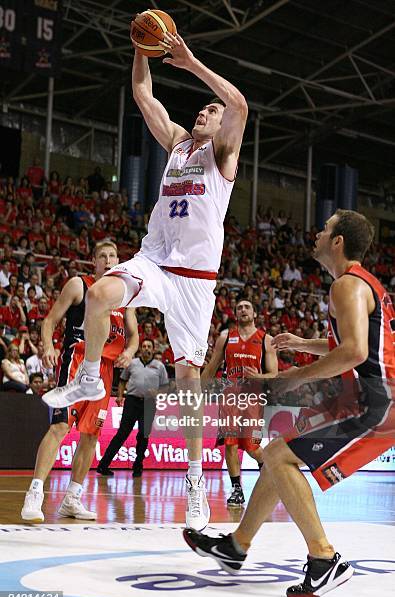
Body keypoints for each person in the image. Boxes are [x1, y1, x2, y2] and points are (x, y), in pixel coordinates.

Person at [41, 27, 248, 530]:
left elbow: (239, 102)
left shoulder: (222, 156)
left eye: (210, 110)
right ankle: (89, 376)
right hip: (155, 261)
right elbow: (142, 93)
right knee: (99, 293)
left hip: (195, 281)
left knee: (189, 379)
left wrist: (191, 61)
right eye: (202, 108)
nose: (205, 111)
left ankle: (197, 481)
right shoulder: (178, 144)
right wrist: (141, 47)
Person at [183, 210, 395, 597]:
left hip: (375, 402)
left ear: (338, 242)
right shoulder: (363, 285)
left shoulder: (347, 285)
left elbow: (354, 351)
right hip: (367, 397)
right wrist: (302, 344)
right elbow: (353, 346)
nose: (317, 232)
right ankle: (236, 546)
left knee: (279, 458)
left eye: (326, 228)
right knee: (276, 455)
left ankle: (323, 558)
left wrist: (296, 375)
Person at [21, 241, 138, 523]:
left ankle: (72, 498)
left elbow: (134, 336)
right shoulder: (79, 285)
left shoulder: (125, 296)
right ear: (94, 262)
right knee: (60, 426)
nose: (108, 260)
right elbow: (49, 321)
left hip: (106, 370)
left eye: (113, 256)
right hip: (77, 361)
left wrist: (130, 352)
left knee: (91, 436)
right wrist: (48, 346)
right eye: (102, 256)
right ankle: (35, 493)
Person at [202, 299, 278, 505]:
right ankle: (237, 489)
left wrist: (259, 378)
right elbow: (212, 366)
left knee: (252, 447)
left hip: (253, 398)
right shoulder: (226, 337)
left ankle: (271, 472)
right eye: (239, 308)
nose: (243, 310)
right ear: (235, 314)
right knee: (230, 444)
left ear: (254, 314)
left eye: (247, 307)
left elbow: (274, 375)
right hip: (230, 397)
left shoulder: (266, 340)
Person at [97, 338, 168, 477]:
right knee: (122, 434)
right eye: (144, 346)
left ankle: (138, 466)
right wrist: (119, 396)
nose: (146, 348)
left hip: (149, 403)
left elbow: (165, 386)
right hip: (131, 401)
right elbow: (123, 380)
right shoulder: (133, 363)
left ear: (153, 349)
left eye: (149, 346)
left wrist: (159, 393)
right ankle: (103, 465)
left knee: (143, 435)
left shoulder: (159, 366)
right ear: (140, 349)